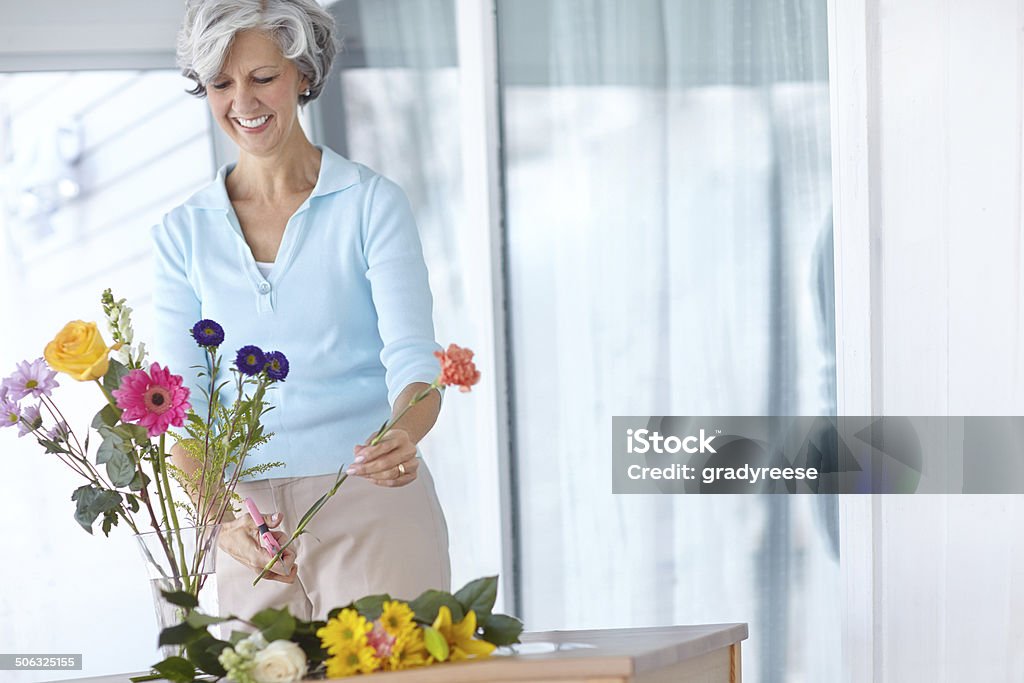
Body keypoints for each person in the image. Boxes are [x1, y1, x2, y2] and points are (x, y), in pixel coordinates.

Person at [151, 0, 451, 622]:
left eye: (264, 77)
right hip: (249, 522)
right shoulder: (181, 234)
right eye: (221, 83)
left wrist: (403, 434)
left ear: (304, 75)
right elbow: (183, 407)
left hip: (370, 499)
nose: (244, 102)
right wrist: (221, 522)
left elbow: (414, 365)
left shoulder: (370, 204)